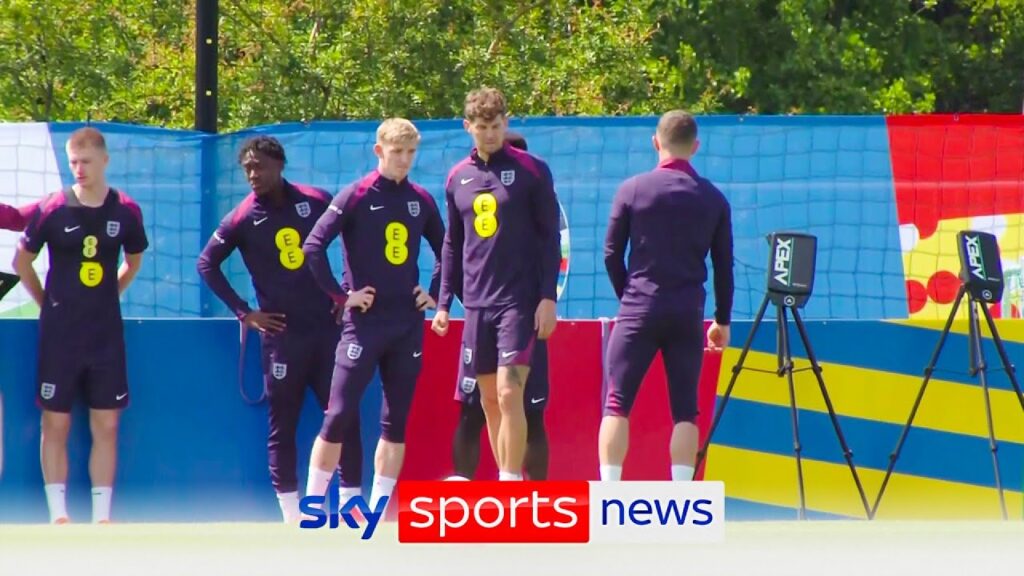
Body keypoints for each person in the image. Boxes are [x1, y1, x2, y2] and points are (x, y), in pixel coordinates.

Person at [196, 135, 363, 524]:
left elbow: (352, 236)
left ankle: (352, 506)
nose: (253, 174)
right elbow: (207, 264)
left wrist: (344, 294)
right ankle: (293, 517)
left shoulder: (316, 199)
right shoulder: (241, 216)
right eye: (247, 168)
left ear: (279, 165)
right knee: (282, 425)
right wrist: (244, 312)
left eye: (260, 166)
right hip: (283, 338)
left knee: (342, 417)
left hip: (326, 332)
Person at [303, 118, 444, 510]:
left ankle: (378, 513)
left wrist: (433, 293)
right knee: (339, 413)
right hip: (364, 325)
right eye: (397, 152)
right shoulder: (357, 195)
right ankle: (313, 507)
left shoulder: (421, 199)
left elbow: (447, 249)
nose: (404, 160)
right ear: (379, 151)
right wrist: (342, 295)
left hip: (406, 325)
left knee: (395, 420)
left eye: (411, 152)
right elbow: (312, 247)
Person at [12, 127, 148, 523]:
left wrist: (110, 293)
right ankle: (59, 515)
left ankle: (102, 517)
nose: (79, 169)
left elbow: (134, 261)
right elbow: (22, 262)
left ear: (105, 160)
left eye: (86, 161)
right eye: (73, 162)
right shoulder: (53, 207)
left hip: (105, 335)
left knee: (106, 423)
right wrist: (46, 303)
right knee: (55, 421)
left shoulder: (126, 210)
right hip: (60, 335)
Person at [432, 88, 562, 481]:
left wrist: (546, 297)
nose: (489, 134)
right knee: (487, 399)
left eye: (496, 125)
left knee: (510, 392)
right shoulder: (457, 177)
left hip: (518, 303)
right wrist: (442, 304)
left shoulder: (532, 170)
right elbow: (452, 243)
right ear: (467, 127)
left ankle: (508, 486)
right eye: (482, 127)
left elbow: (550, 237)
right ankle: (509, 479)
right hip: (476, 304)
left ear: (506, 123)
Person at [598, 110, 734, 482]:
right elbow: (724, 267)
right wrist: (722, 320)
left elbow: (611, 253)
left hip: (638, 307)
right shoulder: (714, 199)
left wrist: (627, 295)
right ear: (696, 147)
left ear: (656, 142)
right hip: (687, 312)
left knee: (617, 403)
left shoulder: (632, 189)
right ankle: (682, 499)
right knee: (686, 412)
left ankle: (610, 493)